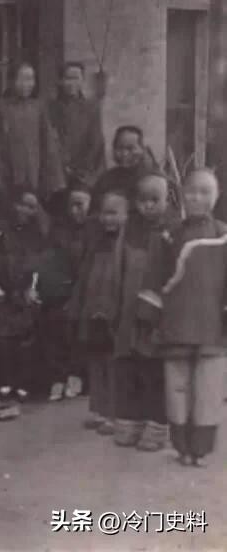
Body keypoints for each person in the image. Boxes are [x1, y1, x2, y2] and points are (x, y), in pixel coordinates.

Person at [138, 167, 227, 466]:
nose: (198, 197)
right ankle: (182, 448)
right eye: (191, 192)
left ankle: (200, 449)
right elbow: (154, 278)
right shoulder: (168, 235)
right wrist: (148, 319)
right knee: (177, 389)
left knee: (209, 390)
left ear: (217, 195)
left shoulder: (223, 235)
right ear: (182, 196)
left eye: (205, 191)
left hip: (214, 327)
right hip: (175, 325)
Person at [112, 174, 173, 452]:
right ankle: (131, 421)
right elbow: (118, 269)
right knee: (128, 366)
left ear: (167, 200)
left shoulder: (172, 230)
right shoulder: (128, 230)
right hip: (128, 310)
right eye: (143, 200)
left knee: (154, 369)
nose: (148, 205)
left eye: (155, 199)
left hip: (156, 312)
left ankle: (158, 425)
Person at [68, 189, 129, 434]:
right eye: (104, 213)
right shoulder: (95, 243)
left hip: (114, 311)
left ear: (126, 215)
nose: (108, 219)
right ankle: (98, 409)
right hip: (92, 309)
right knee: (95, 360)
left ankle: (114, 413)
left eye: (114, 213)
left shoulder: (126, 245)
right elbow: (85, 276)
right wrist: (79, 306)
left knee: (112, 363)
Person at [0, 188, 47, 400]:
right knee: (3, 338)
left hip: (25, 289)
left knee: (26, 338)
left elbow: (39, 263)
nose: (27, 210)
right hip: (2, 289)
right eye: (23, 205)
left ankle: (23, 381)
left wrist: (32, 286)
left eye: (32, 207)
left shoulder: (36, 234)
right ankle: (5, 380)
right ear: (14, 205)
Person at [34, 185, 91, 401]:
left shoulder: (95, 232)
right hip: (63, 289)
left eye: (80, 205)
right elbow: (51, 263)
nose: (76, 211)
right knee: (54, 320)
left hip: (88, 291)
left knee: (81, 326)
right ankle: (58, 375)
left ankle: (77, 375)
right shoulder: (59, 232)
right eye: (72, 206)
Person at [0, 62, 66, 205]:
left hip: (34, 172)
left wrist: (53, 178)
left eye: (31, 79)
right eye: (23, 79)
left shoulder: (38, 107)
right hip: (9, 172)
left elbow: (48, 143)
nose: (28, 84)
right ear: (12, 81)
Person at [47, 63, 106, 192]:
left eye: (76, 78)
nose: (71, 83)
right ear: (60, 81)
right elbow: (50, 141)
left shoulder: (91, 108)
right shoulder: (50, 108)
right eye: (67, 78)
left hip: (84, 172)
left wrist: (82, 169)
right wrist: (62, 165)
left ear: (82, 81)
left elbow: (96, 141)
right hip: (58, 173)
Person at [90, 127, 160, 214]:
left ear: (142, 149)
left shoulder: (154, 180)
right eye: (119, 148)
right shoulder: (105, 179)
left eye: (130, 148)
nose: (124, 154)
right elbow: (94, 211)